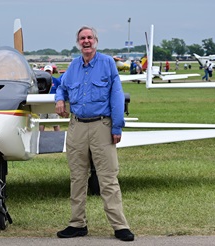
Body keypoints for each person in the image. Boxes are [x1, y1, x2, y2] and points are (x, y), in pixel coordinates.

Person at [55, 26, 134, 242]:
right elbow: (62, 86)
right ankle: (77, 223)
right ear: (78, 42)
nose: (86, 41)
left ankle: (119, 226)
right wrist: (59, 99)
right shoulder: (73, 65)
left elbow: (116, 96)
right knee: (77, 177)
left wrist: (116, 127)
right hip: (77, 127)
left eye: (90, 37)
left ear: (96, 40)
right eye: (82, 38)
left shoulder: (107, 63)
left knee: (108, 178)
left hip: (101, 126)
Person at [40, 64, 61, 131]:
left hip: (53, 103)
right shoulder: (41, 81)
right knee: (41, 122)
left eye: (49, 71)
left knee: (55, 122)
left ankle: (58, 137)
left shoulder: (56, 81)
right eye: (46, 71)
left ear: (52, 72)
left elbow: (60, 90)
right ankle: (40, 136)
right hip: (43, 103)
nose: (48, 73)